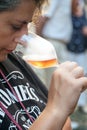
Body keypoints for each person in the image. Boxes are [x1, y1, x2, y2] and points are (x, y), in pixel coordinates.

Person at [0, 0, 87, 130]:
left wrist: (61, 107)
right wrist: (56, 110)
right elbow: (56, 114)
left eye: (28, 25)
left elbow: (65, 125)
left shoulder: (11, 61)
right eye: (16, 26)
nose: (24, 38)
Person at [66, 0, 87, 113]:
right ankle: (70, 101)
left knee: (82, 74)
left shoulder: (82, 9)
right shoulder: (68, 10)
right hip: (70, 48)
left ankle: (81, 104)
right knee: (71, 74)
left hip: (81, 49)